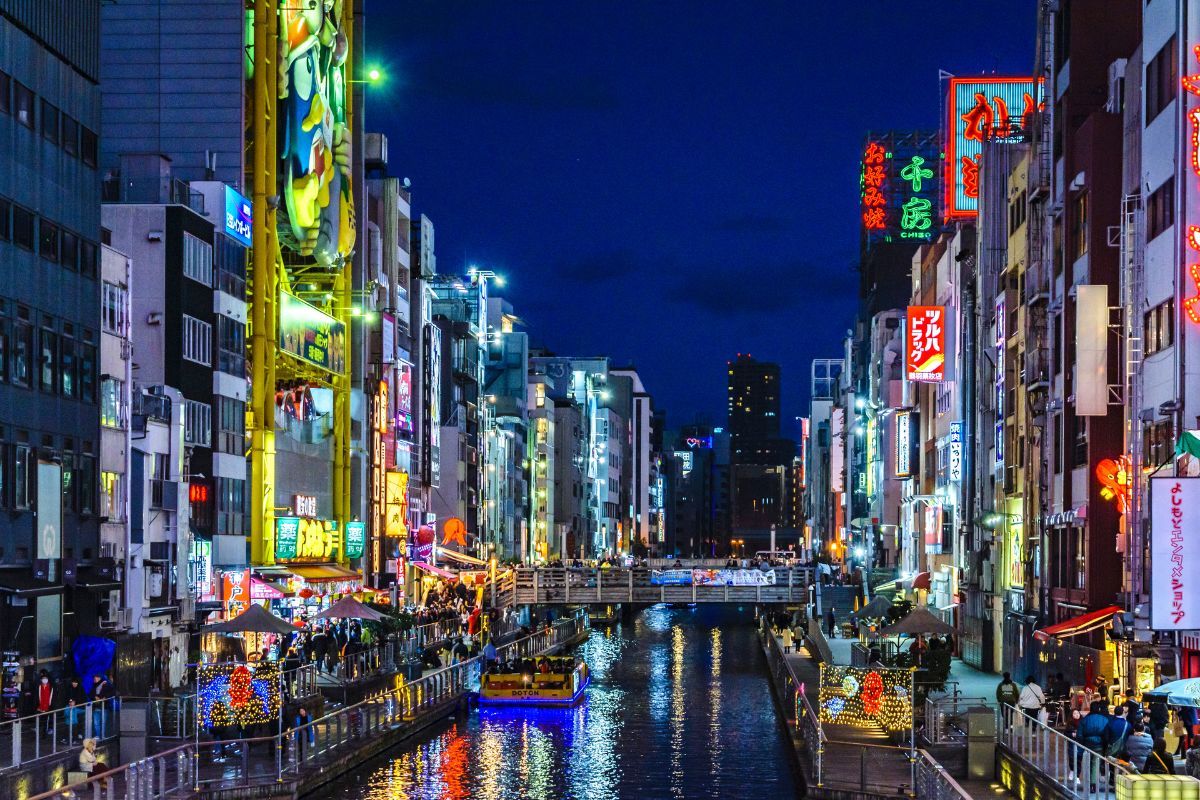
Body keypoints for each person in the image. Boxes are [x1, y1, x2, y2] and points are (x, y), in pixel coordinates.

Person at [64, 676, 88, 742]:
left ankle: (78, 733)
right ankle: (71, 734)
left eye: (76, 682)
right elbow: (66, 698)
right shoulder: (69, 689)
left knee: (78, 720)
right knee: (70, 718)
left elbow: (84, 699)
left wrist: (75, 702)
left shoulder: (81, 689)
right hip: (71, 707)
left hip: (80, 708)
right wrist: (70, 702)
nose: (74, 684)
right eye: (73, 682)